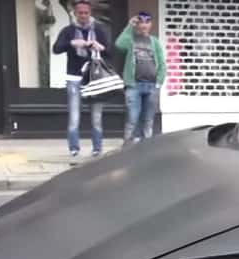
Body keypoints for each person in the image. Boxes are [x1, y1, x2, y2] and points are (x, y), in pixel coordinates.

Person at [52, 1, 109, 159]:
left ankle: (97, 148)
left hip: (94, 78)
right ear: (75, 14)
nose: (83, 15)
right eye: (80, 13)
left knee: (96, 116)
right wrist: (71, 43)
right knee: (74, 116)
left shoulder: (98, 30)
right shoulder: (68, 31)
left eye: (86, 13)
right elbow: (56, 49)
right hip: (74, 78)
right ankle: (74, 149)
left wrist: (100, 47)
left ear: (90, 14)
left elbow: (110, 52)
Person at [115, 12, 166, 144]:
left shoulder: (154, 42)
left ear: (150, 24)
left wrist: (159, 82)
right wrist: (129, 26)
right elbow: (119, 44)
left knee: (148, 120)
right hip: (134, 85)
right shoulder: (131, 39)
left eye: (147, 22)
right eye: (141, 22)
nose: (144, 25)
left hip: (151, 86)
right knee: (133, 118)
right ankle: (128, 148)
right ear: (138, 24)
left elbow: (161, 63)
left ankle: (146, 148)